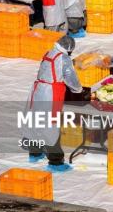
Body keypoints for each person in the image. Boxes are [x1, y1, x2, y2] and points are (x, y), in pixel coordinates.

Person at [23, 36, 82, 171]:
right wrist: (78, 89)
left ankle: (35, 152)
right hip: (50, 93)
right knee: (51, 127)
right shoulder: (64, 58)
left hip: (38, 90)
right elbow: (70, 77)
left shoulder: (49, 53)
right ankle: (56, 162)